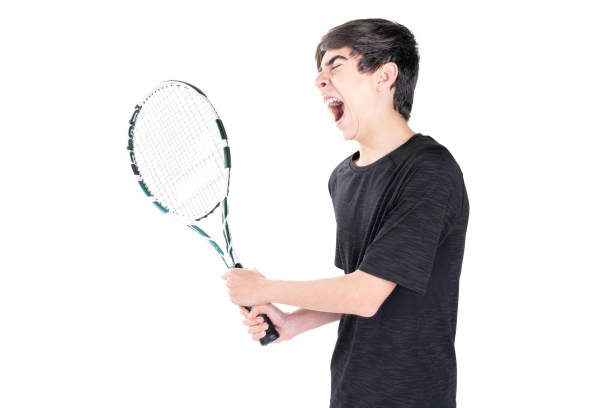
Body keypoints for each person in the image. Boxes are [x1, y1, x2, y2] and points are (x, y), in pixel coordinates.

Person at [222, 18, 469, 407]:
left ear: (384, 75)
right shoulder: (343, 178)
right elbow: (358, 285)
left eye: (336, 65)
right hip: (350, 391)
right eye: (319, 70)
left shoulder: (428, 171)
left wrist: (264, 288)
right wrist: (291, 322)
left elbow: (366, 295)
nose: (320, 81)